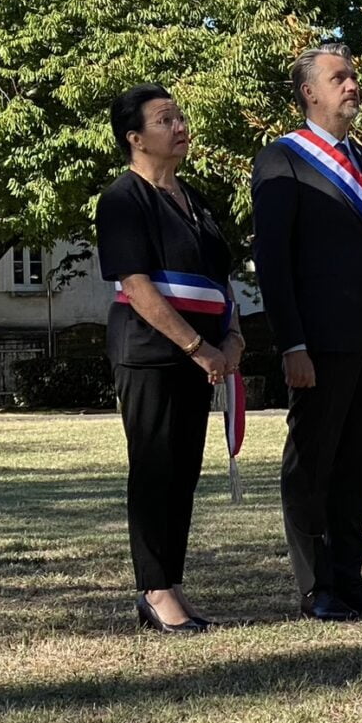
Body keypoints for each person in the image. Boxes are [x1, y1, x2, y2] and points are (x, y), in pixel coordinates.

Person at [251, 42, 362, 621]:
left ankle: (349, 577)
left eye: (353, 76)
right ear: (309, 93)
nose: (352, 85)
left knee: (357, 466)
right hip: (317, 343)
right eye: (338, 78)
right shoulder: (282, 160)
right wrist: (291, 342)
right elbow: (273, 261)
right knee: (313, 464)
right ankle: (314, 584)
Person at [95, 82, 244, 634]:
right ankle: (155, 591)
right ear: (135, 138)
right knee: (156, 469)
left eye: (180, 116)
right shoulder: (122, 198)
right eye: (164, 120)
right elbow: (136, 285)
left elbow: (219, 279)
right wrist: (197, 346)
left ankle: (171, 581)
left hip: (202, 355)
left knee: (183, 473)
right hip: (151, 352)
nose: (179, 127)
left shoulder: (196, 199)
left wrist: (231, 339)